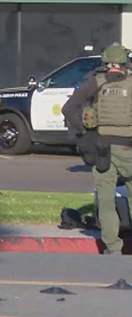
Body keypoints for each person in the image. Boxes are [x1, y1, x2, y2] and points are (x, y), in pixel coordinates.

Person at [63, 42, 132, 255]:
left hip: (103, 149)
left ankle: (112, 247)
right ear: (124, 62)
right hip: (128, 149)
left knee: (106, 199)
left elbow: (69, 109)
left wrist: (85, 133)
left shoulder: (95, 83)